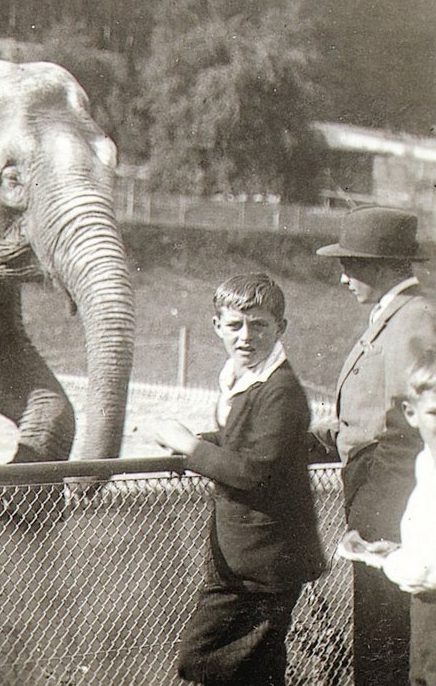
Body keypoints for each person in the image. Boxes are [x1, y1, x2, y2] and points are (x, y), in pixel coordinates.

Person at [156, 272, 325, 686]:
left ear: (280, 328)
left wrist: (190, 448)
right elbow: (244, 441)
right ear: (217, 327)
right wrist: (205, 442)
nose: (246, 336)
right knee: (254, 669)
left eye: (259, 325)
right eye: (234, 325)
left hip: (264, 564)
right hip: (246, 556)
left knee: (203, 658)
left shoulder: (279, 390)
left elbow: (253, 470)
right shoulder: (242, 379)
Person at [315, 205, 434, 686]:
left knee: (383, 630)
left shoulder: (412, 320)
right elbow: (363, 412)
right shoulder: (392, 317)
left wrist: (375, 501)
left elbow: (412, 421)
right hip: (374, 481)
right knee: (377, 623)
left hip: (387, 484)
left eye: (351, 265)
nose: (344, 278)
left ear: (383, 266)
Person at [341, 349, 436, 685]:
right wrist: (394, 551)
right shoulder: (426, 462)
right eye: (435, 413)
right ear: (410, 413)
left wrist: (388, 561)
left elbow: (425, 572)